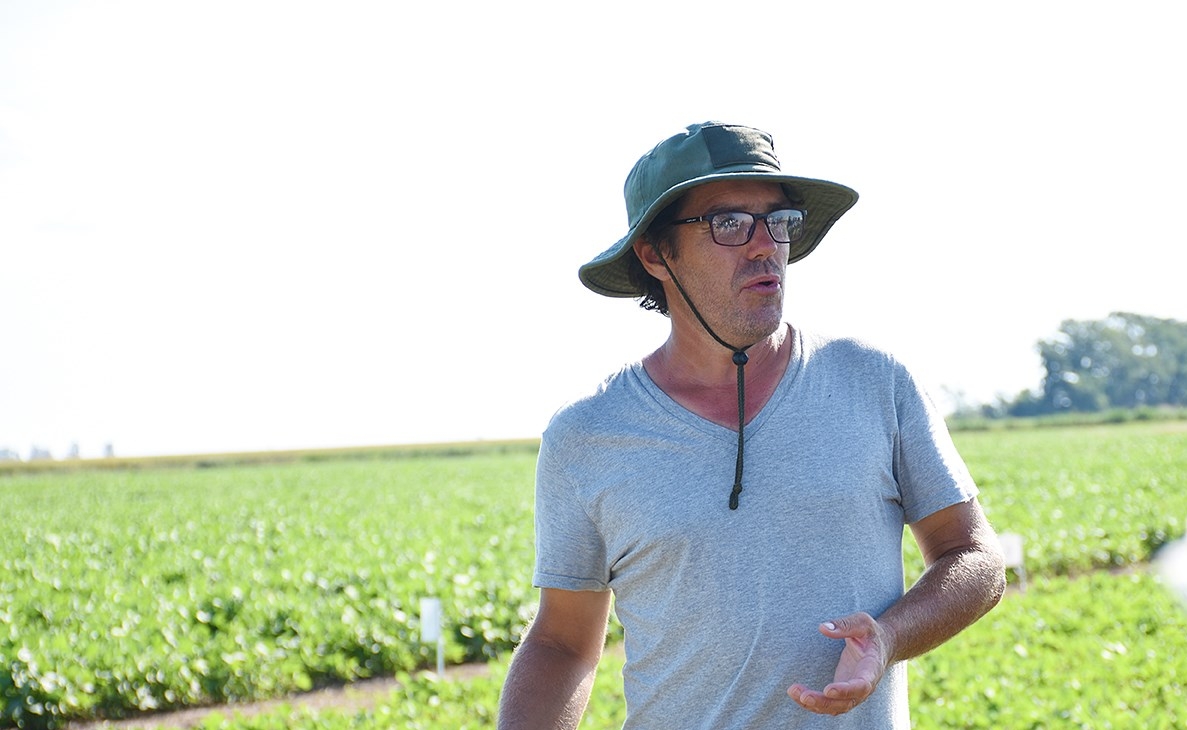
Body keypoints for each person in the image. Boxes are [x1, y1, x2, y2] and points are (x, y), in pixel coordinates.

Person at [497, 121, 1006, 729]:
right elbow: (561, 642)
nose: (766, 245)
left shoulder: (874, 383)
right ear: (655, 254)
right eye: (729, 223)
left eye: (779, 221)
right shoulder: (587, 436)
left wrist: (889, 636)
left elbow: (972, 555)